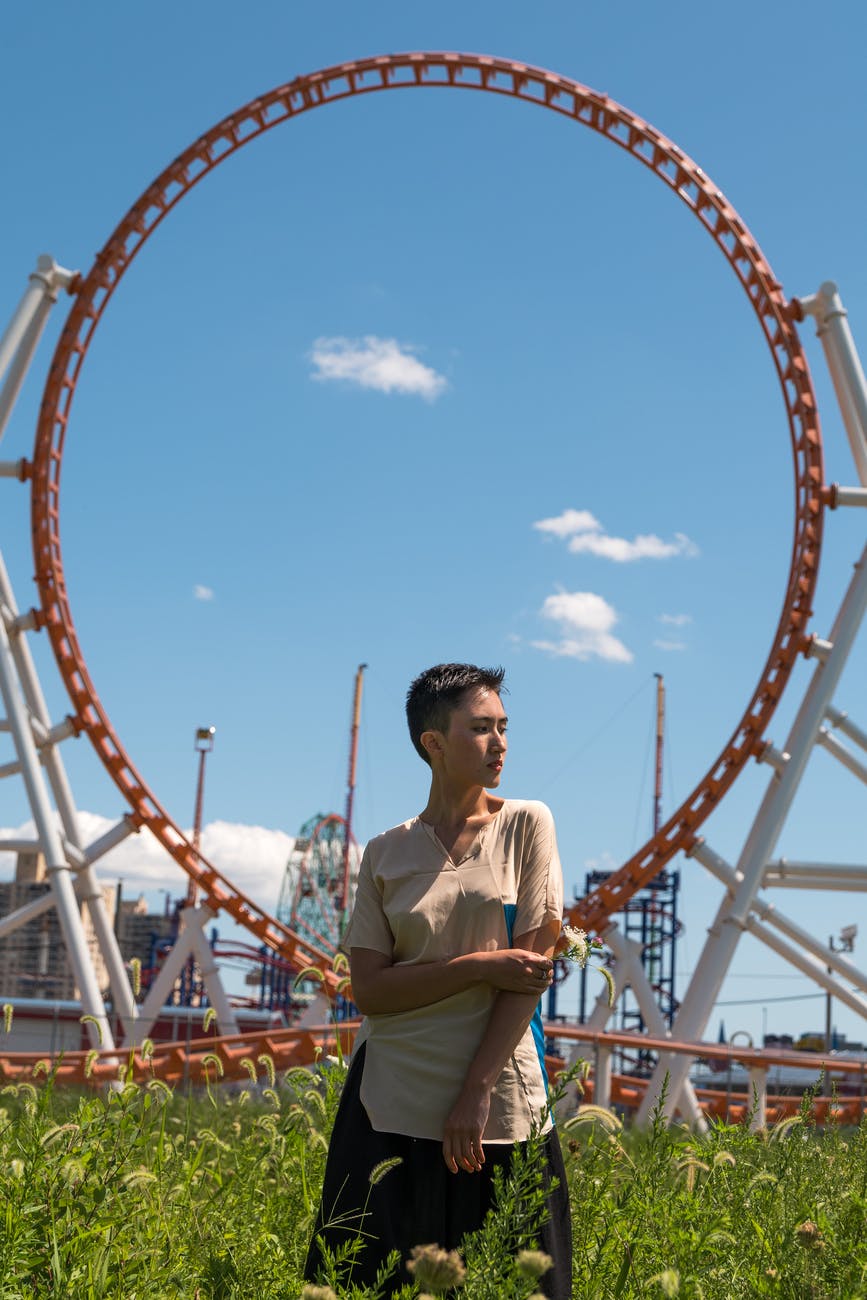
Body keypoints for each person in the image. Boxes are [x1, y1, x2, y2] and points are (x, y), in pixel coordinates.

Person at [304, 663, 572, 1297]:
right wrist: (483, 965)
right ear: (434, 742)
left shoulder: (527, 825)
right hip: (388, 1104)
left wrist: (475, 1090)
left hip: (499, 1107)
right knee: (373, 1287)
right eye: (480, 728)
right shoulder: (385, 852)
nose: (500, 742)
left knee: (516, 1284)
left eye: (503, 727)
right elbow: (369, 991)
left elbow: (529, 975)